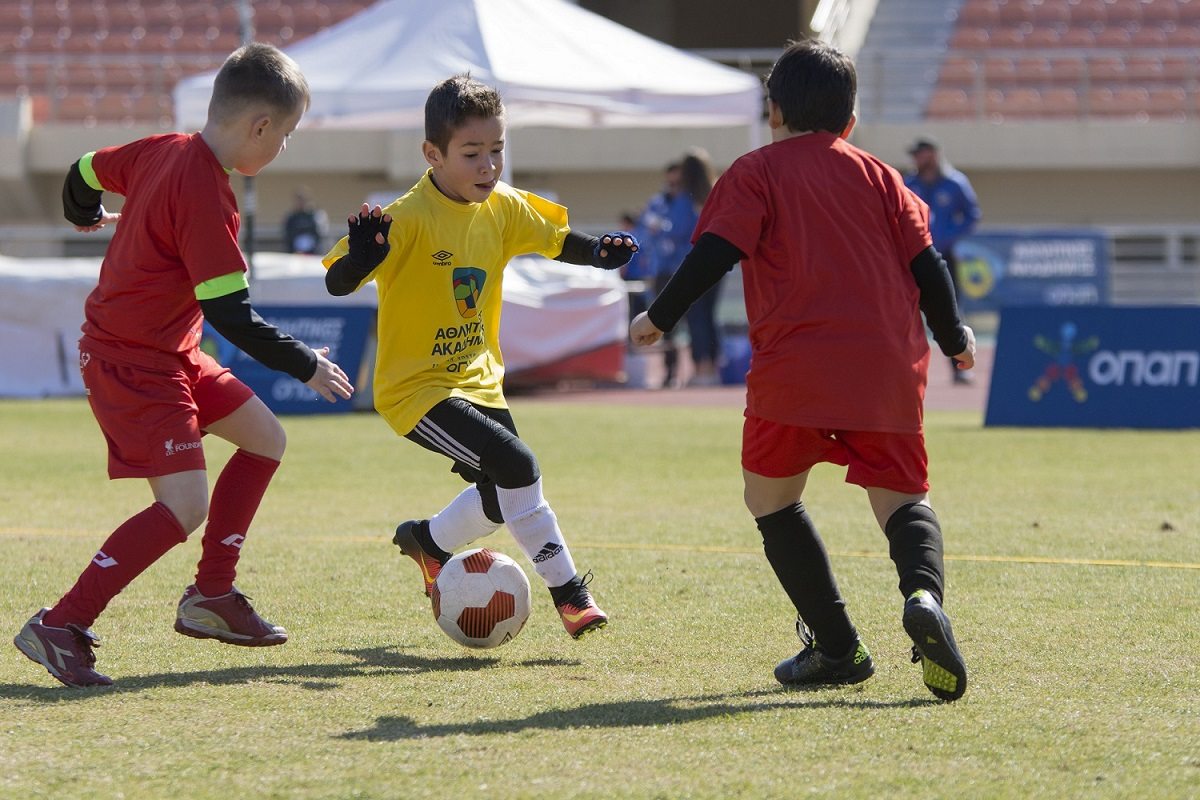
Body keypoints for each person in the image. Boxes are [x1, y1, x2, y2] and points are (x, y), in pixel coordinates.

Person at [630, 39, 975, 701]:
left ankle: (837, 646)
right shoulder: (883, 177)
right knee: (904, 500)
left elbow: (714, 252)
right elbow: (928, 266)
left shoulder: (757, 171)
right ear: (850, 121)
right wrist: (955, 336)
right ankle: (924, 596)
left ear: (774, 110)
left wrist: (660, 316)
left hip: (795, 374)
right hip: (886, 373)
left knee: (772, 501)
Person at [12, 43, 355, 688]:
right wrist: (305, 363)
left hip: (167, 352)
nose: (281, 150)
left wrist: (82, 214)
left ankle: (211, 599)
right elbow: (231, 315)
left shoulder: (159, 148)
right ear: (258, 127)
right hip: (131, 362)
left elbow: (83, 170)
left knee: (264, 438)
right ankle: (62, 623)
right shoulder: (207, 193)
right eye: (283, 136)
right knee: (184, 503)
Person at [322, 75, 637, 639]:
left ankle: (429, 541)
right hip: (415, 391)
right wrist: (361, 258)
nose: (488, 165)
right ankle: (571, 595)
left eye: (496, 150)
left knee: (500, 492)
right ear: (432, 154)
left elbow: (558, 239)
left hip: (480, 380)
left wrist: (600, 253)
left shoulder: (503, 206)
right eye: (472, 153)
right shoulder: (408, 217)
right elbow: (339, 283)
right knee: (518, 466)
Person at [904, 137, 981, 385]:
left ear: (934, 155)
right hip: (912, 257)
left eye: (921, 154)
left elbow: (972, 214)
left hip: (943, 257)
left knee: (951, 310)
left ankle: (960, 366)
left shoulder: (955, 183)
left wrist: (949, 237)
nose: (917, 159)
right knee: (905, 312)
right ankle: (905, 368)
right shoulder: (909, 183)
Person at [676, 148, 723, 387]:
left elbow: (679, 231)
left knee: (695, 316)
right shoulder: (717, 192)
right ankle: (712, 366)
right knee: (709, 315)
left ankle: (701, 367)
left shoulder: (685, 198)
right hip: (717, 263)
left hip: (692, 264)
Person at [282, 186, 329, 254]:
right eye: (298, 200)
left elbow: (321, 232)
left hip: (313, 252)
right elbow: (287, 234)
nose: (300, 203)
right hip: (295, 252)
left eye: (303, 200)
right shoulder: (292, 217)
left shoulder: (315, 215)